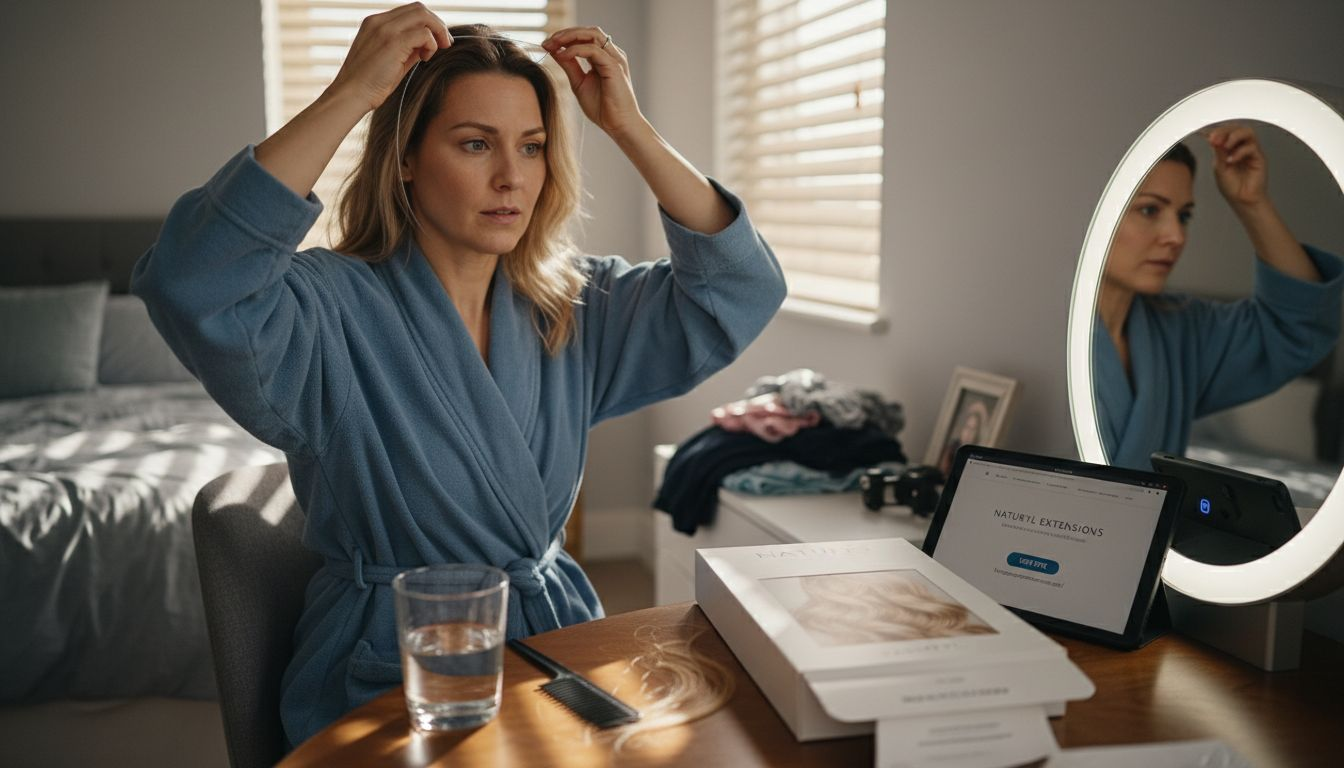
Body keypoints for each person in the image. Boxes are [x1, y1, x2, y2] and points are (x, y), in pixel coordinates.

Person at [131, 4, 785, 746]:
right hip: (392, 676)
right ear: (406, 157)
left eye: (533, 147)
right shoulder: (326, 310)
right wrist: (350, 94)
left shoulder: (570, 306)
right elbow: (192, 280)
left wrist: (628, 126)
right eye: (475, 144)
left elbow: (741, 290)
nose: (511, 176)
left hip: (556, 652)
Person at [1093, 125, 1344, 470]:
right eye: (1150, 210)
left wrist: (1251, 202)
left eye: (1184, 216)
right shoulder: (1038, 328)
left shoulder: (1181, 331)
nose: (1176, 235)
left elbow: (1298, 326)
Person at [937, 398, 989, 477]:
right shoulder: (952, 448)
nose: (968, 433)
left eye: (973, 429)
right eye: (967, 427)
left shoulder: (976, 455)